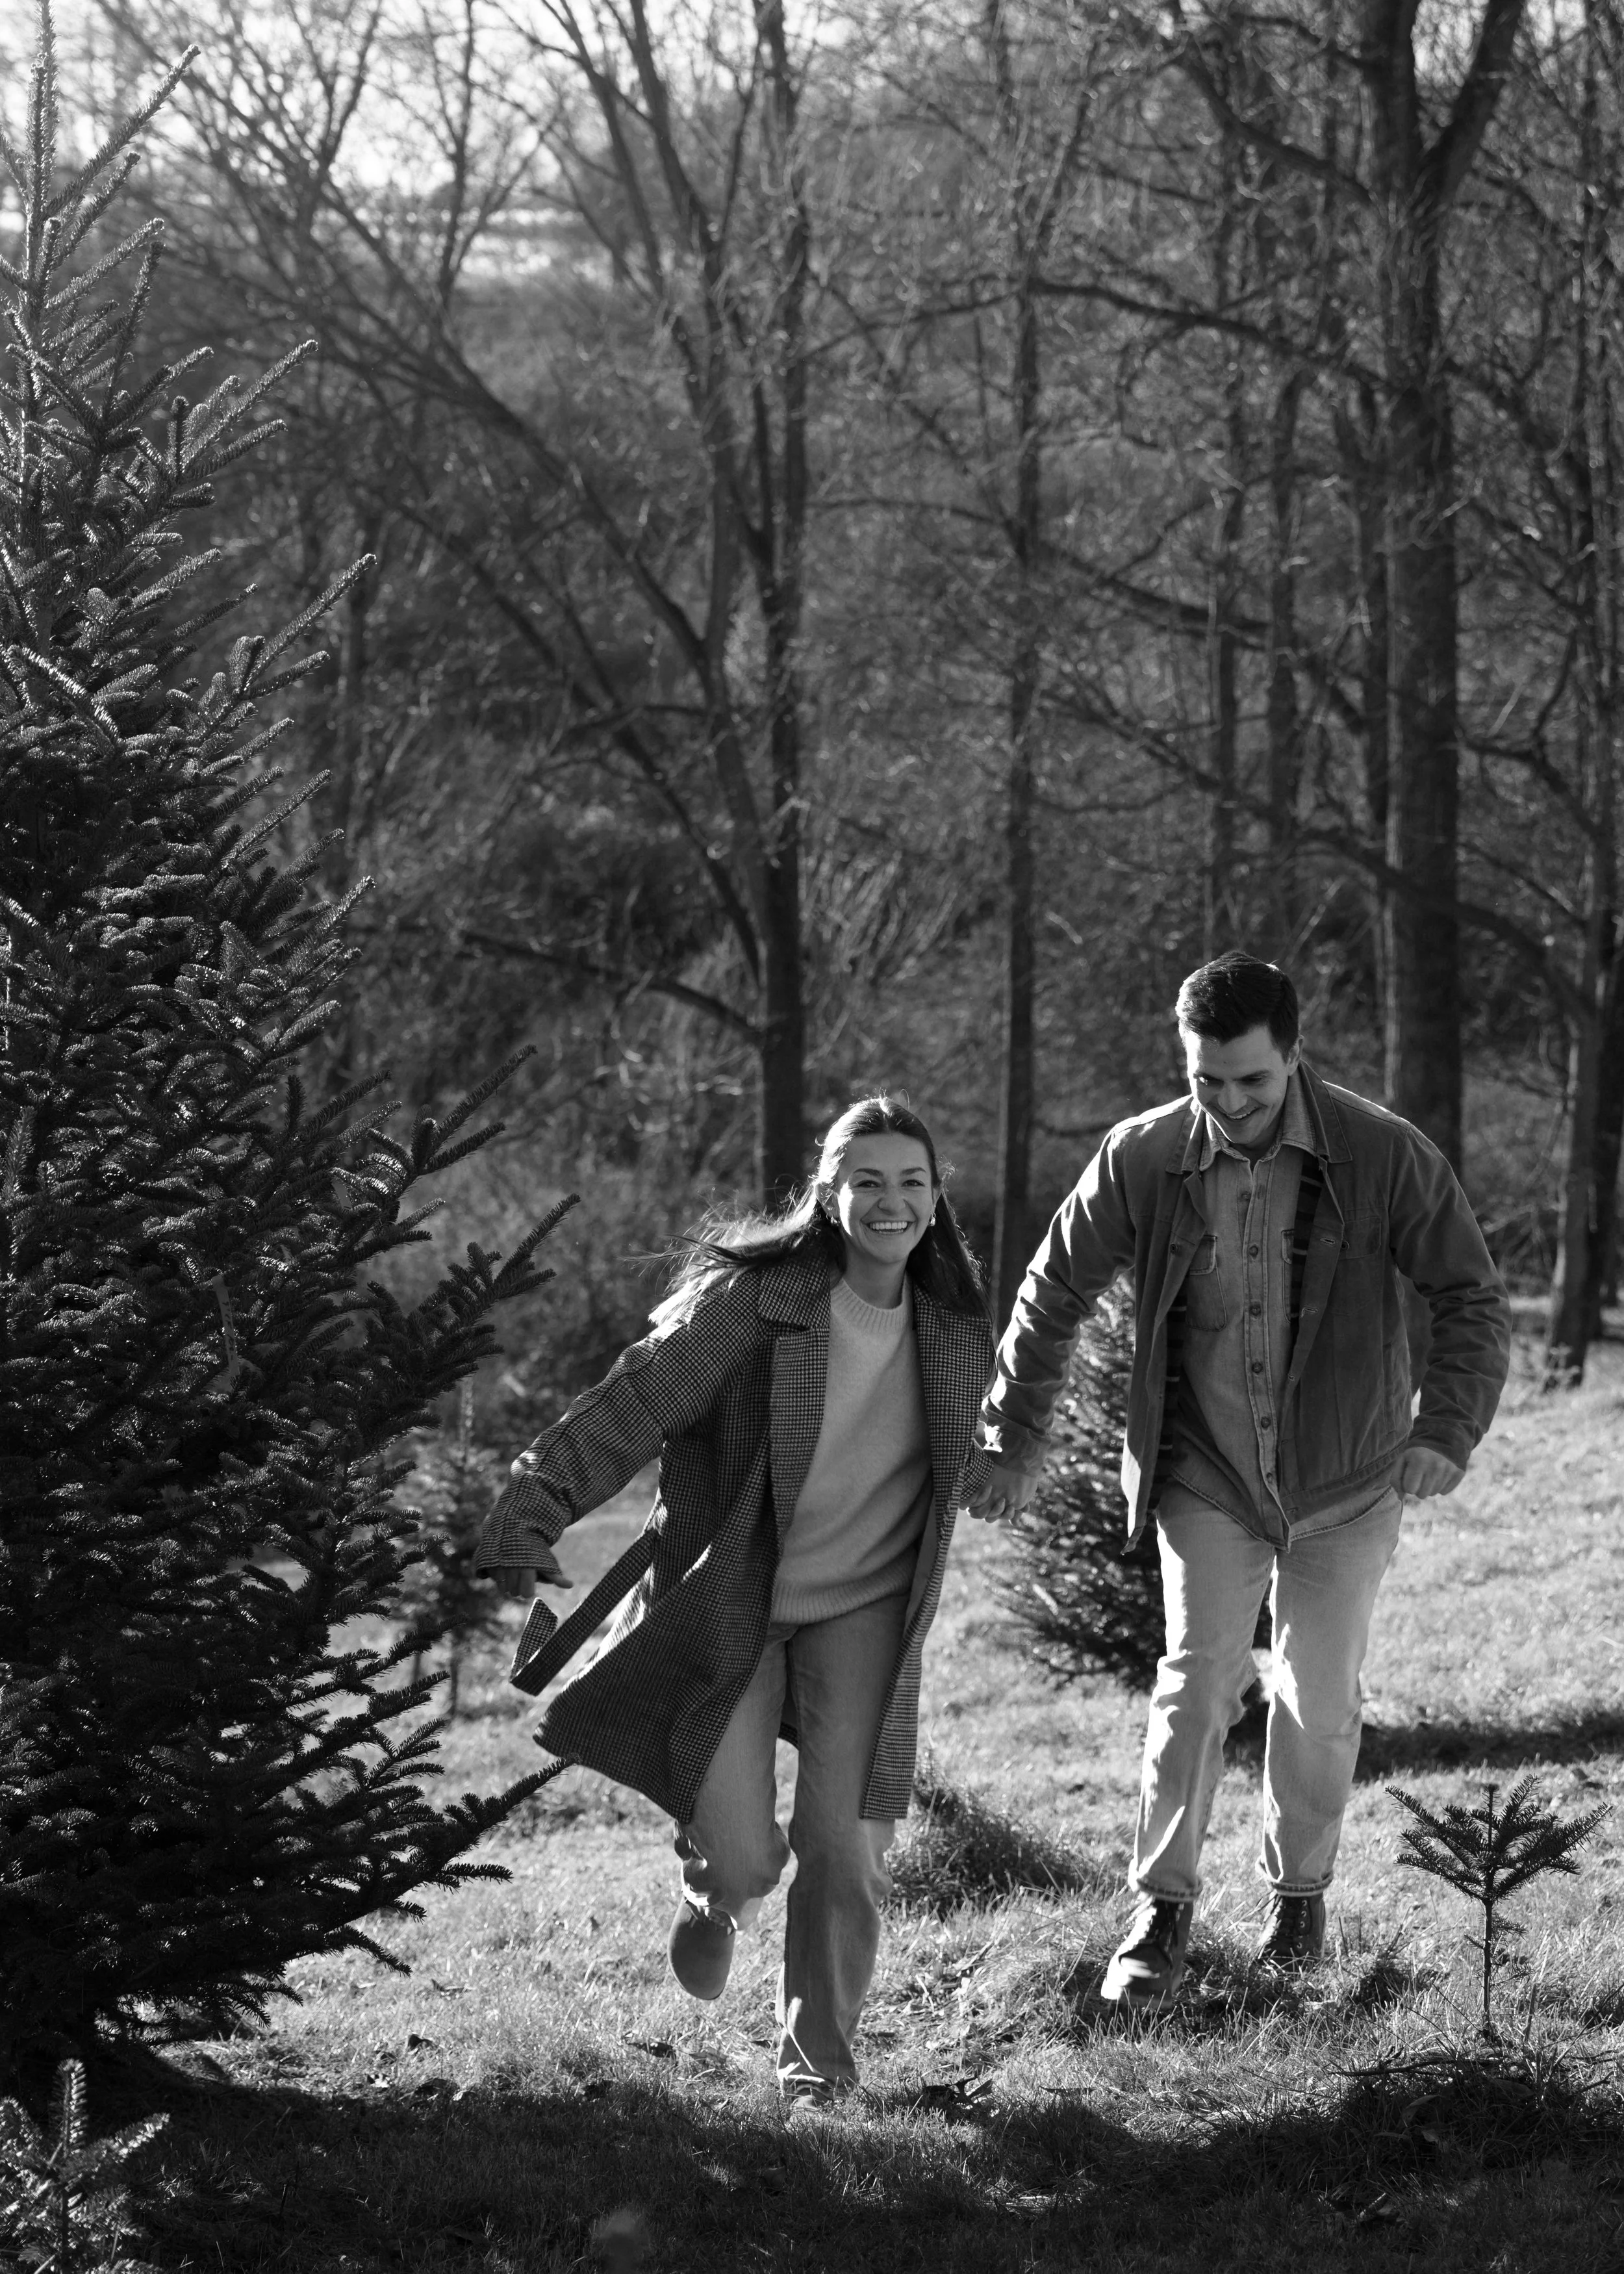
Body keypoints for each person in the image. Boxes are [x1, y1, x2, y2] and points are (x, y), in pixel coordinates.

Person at [971, 952, 1511, 2010]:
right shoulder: (1146, 1156)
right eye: (1204, 1081)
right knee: (1197, 1678)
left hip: (1349, 1481)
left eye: (1250, 1084)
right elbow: (1052, 1288)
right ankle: (1159, 1914)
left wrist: (1445, 1428)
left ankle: (1297, 1905)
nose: (1225, 1105)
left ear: (1295, 1056)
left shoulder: (1382, 1152)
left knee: (1319, 1698)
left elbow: (1471, 1295)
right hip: (1206, 1473)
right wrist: (1012, 1433)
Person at [475, 1096, 995, 2106]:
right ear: (830, 1197)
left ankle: (819, 2073)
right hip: (736, 1599)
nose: (892, 1202)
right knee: (754, 1857)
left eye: (912, 1182)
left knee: (846, 1848)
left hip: (866, 1610)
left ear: (937, 1200)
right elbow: (640, 1397)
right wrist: (531, 1508)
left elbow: (979, 1449)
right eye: (869, 1182)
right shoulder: (758, 1308)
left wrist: (1009, 1468)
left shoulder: (955, 1332)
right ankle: (717, 1897)